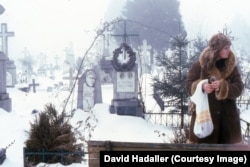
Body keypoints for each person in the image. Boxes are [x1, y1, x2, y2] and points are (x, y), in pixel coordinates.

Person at [186, 33, 244, 144]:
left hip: (228, 122)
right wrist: (201, 87)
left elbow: (239, 87)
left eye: (229, 47)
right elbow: (188, 85)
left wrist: (223, 87)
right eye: (225, 48)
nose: (229, 50)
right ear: (217, 50)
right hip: (204, 118)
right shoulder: (199, 66)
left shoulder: (232, 67)